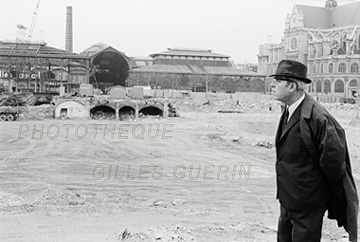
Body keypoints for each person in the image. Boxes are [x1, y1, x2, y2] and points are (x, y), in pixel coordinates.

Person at [270, 59, 358, 242]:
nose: (273, 85)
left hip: (307, 204)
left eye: (278, 81)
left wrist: (313, 192)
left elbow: (334, 164)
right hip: (288, 200)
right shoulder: (289, 110)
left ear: (292, 86)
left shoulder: (318, 118)